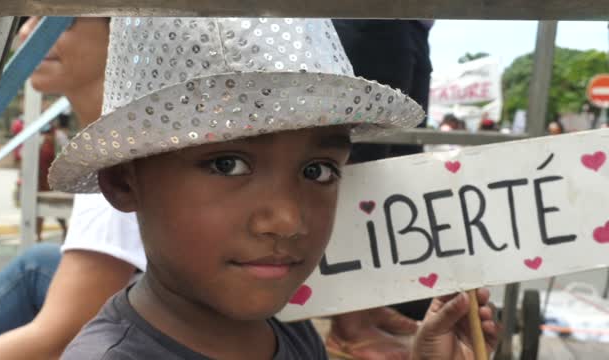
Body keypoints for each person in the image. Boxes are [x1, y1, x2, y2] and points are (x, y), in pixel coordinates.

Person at [54, 17, 499, 360]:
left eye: (319, 171)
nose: (287, 219)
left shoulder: (285, 331)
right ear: (123, 181)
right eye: (227, 164)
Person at [0, 17, 141, 360]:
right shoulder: (115, 136)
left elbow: (55, 338)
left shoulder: (118, 165)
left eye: (59, 19)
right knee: (38, 263)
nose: (24, 31)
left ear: (120, 34)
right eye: (29, 16)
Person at [328, 19, 435, 358]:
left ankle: (365, 308)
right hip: (373, 17)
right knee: (361, 172)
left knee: (393, 169)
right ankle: (349, 326)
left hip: (413, 23)